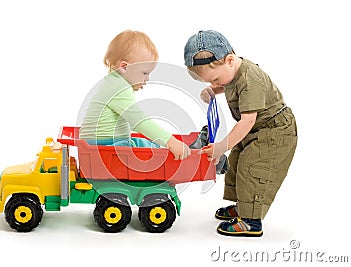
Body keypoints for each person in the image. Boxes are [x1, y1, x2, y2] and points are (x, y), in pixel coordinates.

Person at [184, 30, 297, 237]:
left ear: (229, 60)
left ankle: (251, 221)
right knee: (237, 162)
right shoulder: (231, 72)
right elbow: (228, 84)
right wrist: (213, 90)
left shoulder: (250, 78)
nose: (216, 84)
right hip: (257, 130)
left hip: (274, 131)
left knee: (253, 168)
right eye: (211, 82)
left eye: (216, 80)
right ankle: (243, 206)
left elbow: (247, 120)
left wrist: (221, 147)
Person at [80, 30, 190, 160]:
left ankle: (180, 149)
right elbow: (139, 121)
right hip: (103, 148)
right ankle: (180, 153)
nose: (147, 78)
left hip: (102, 145)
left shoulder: (113, 82)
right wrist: (171, 142)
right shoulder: (118, 88)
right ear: (124, 67)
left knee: (144, 144)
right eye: (144, 73)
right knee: (150, 151)